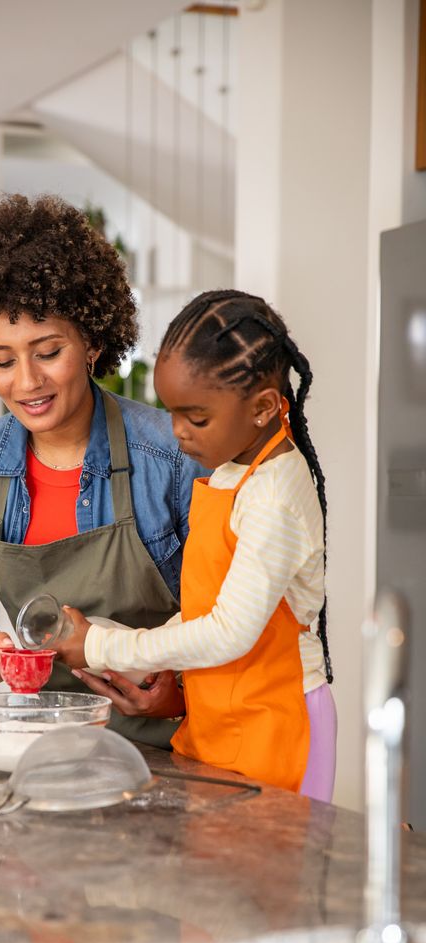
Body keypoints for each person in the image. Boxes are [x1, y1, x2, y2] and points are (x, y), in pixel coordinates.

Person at [0, 194, 204, 747]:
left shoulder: (173, 456)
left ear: (92, 341)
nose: (27, 381)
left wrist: (177, 689)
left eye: (48, 350)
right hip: (39, 748)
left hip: (172, 750)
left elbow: (227, 623)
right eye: (3, 361)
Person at [55, 289, 337, 799]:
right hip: (220, 719)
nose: (177, 432)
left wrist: (106, 645)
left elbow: (230, 631)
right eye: (172, 412)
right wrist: (143, 659)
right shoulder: (234, 470)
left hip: (277, 724)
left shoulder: (274, 492)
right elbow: (209, 606)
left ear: (263, 407)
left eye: (196, 417)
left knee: (276, 876)